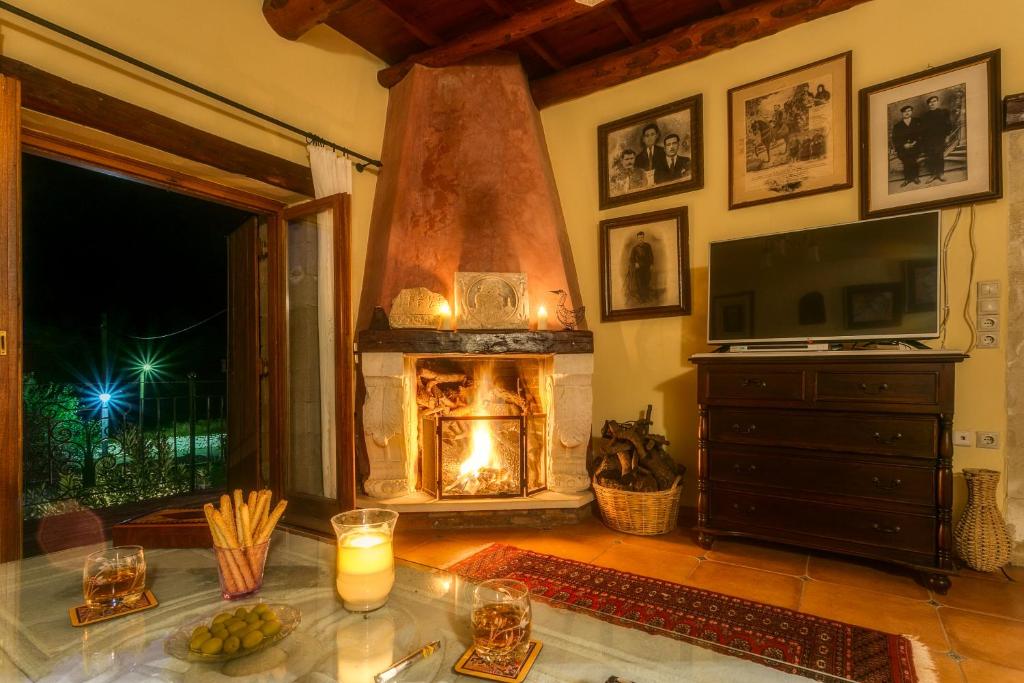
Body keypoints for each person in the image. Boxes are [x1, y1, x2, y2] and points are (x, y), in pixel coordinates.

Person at [920, 95, 952, 182]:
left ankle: (941, 174)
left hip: (940, 139)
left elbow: (948, 126)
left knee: (939, 156)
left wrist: (947, 137)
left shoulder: (943, 113)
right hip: (929, 140)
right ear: (928, 105)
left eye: (934, 101)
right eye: (930, 102)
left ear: (937, 102)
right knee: (931, 157)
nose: (932, 103)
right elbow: (923, 130)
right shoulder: (925, 116)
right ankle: (933, 174)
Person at [892, 105, 922, 187]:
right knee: (906, 161)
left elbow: (921, 134)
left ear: (911, 112)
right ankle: (907, 178)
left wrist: (915, 142)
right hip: (903, 148)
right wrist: (903, 145)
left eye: (909, 111)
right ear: (902, 113)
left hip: (915, 146)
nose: (907, 113)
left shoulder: (917, 121)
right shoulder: (897, 126)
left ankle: (915, 177)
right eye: (905, 111)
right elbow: (895, 139)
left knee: (913, 160)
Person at [626, 231, 655, 304]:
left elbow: (651, 255)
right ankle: (642, 298)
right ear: (637, 238)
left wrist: (651, 264)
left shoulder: (648, 246)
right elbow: (631, 258)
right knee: (639, 283)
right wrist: (635, 263)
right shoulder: (635, 248)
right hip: (639, 268)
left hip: (647, 267)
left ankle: (646, 296)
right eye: (639, 237)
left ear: (643, 237)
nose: (641, 239)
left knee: (647, 281)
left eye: (642, 237)